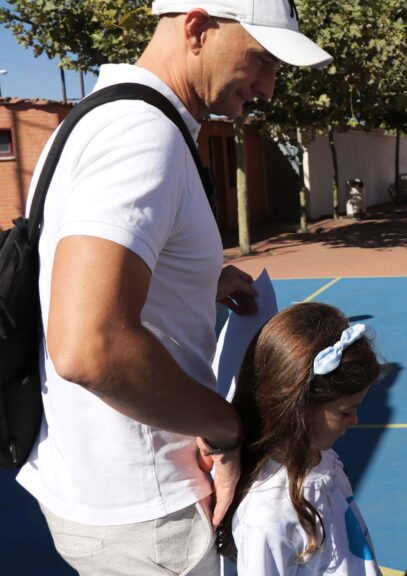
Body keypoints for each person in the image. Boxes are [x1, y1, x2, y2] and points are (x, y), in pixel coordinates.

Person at [16, 2, 332, 574]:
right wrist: (225, 427)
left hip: (106, 486)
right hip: (148, 507)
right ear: (196, 27)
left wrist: (193, 278)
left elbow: (80, 274)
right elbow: (89, 347)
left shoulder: (95, 118)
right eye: (260, 59)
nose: (267, 87)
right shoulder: (142, 137)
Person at [220, 303, 382, 575]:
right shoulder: (267, 515)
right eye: (346, 412)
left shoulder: (324, 461)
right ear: (298, 408)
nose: (355, 421)